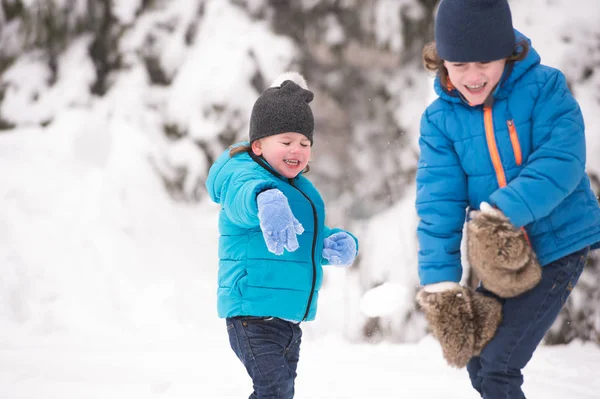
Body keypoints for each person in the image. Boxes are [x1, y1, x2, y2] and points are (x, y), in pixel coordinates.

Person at [415, 0, 600, 397]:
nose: (472, 76)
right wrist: (442, 286)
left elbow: (562, 161)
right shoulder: (439, 121)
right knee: (478, 356)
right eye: (459, 64)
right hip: (501, 258)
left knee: (500, 364)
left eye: (484, 61)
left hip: (557, 243)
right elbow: (438, 205)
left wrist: (503, 211)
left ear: (506, 52)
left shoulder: (544, 88)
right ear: (443, 61)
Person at [205, 71, 358, 399]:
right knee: (275, 390)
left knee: (277, 393)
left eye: (305, 143)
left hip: (288, 321)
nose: (297, 150)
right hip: (252, 315)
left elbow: (299, 237)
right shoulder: (243, 176)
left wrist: (327, 244)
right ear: (258, 144)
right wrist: (264, 198)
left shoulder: (302, 190)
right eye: (286, 141)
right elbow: (239, 200)